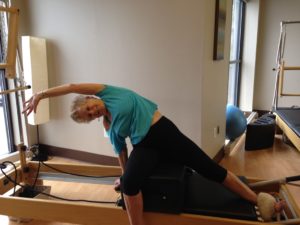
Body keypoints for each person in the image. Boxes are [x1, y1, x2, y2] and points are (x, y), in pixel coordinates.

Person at [23, 83, 283, 225]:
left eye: (89, 108)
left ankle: (256, 199)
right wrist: (123, 179)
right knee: (130, 184)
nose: (92, 113)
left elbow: (69, 87)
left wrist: (42, 95)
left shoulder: (108, 92)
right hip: (145, 147)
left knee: (210, 169)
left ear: (91, 97)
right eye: (88, 117)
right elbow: (121, 153)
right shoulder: (108, 126)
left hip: (164, 132)